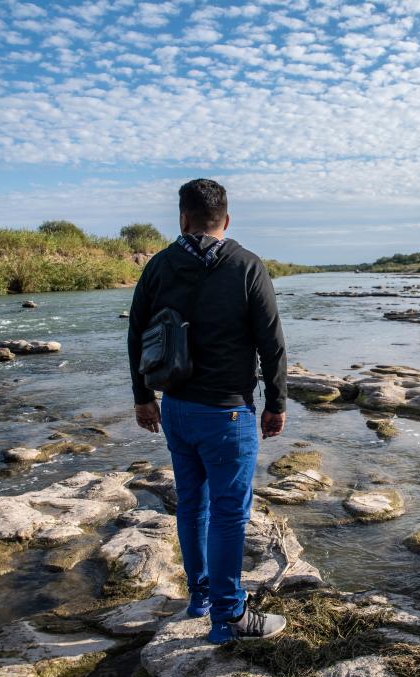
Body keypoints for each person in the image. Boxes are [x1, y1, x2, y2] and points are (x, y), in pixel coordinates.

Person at [128, 178, 289, 642]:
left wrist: (142, 397)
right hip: (229, 414)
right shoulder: (246, 265)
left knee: (192, 506)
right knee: (228, 515)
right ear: (227, 219)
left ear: (182, 218)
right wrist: (276, 403)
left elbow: (137, 335)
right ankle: (230, 617)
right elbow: (272, 345)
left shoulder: (159, 266)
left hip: (176, 410)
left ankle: (199, 598)